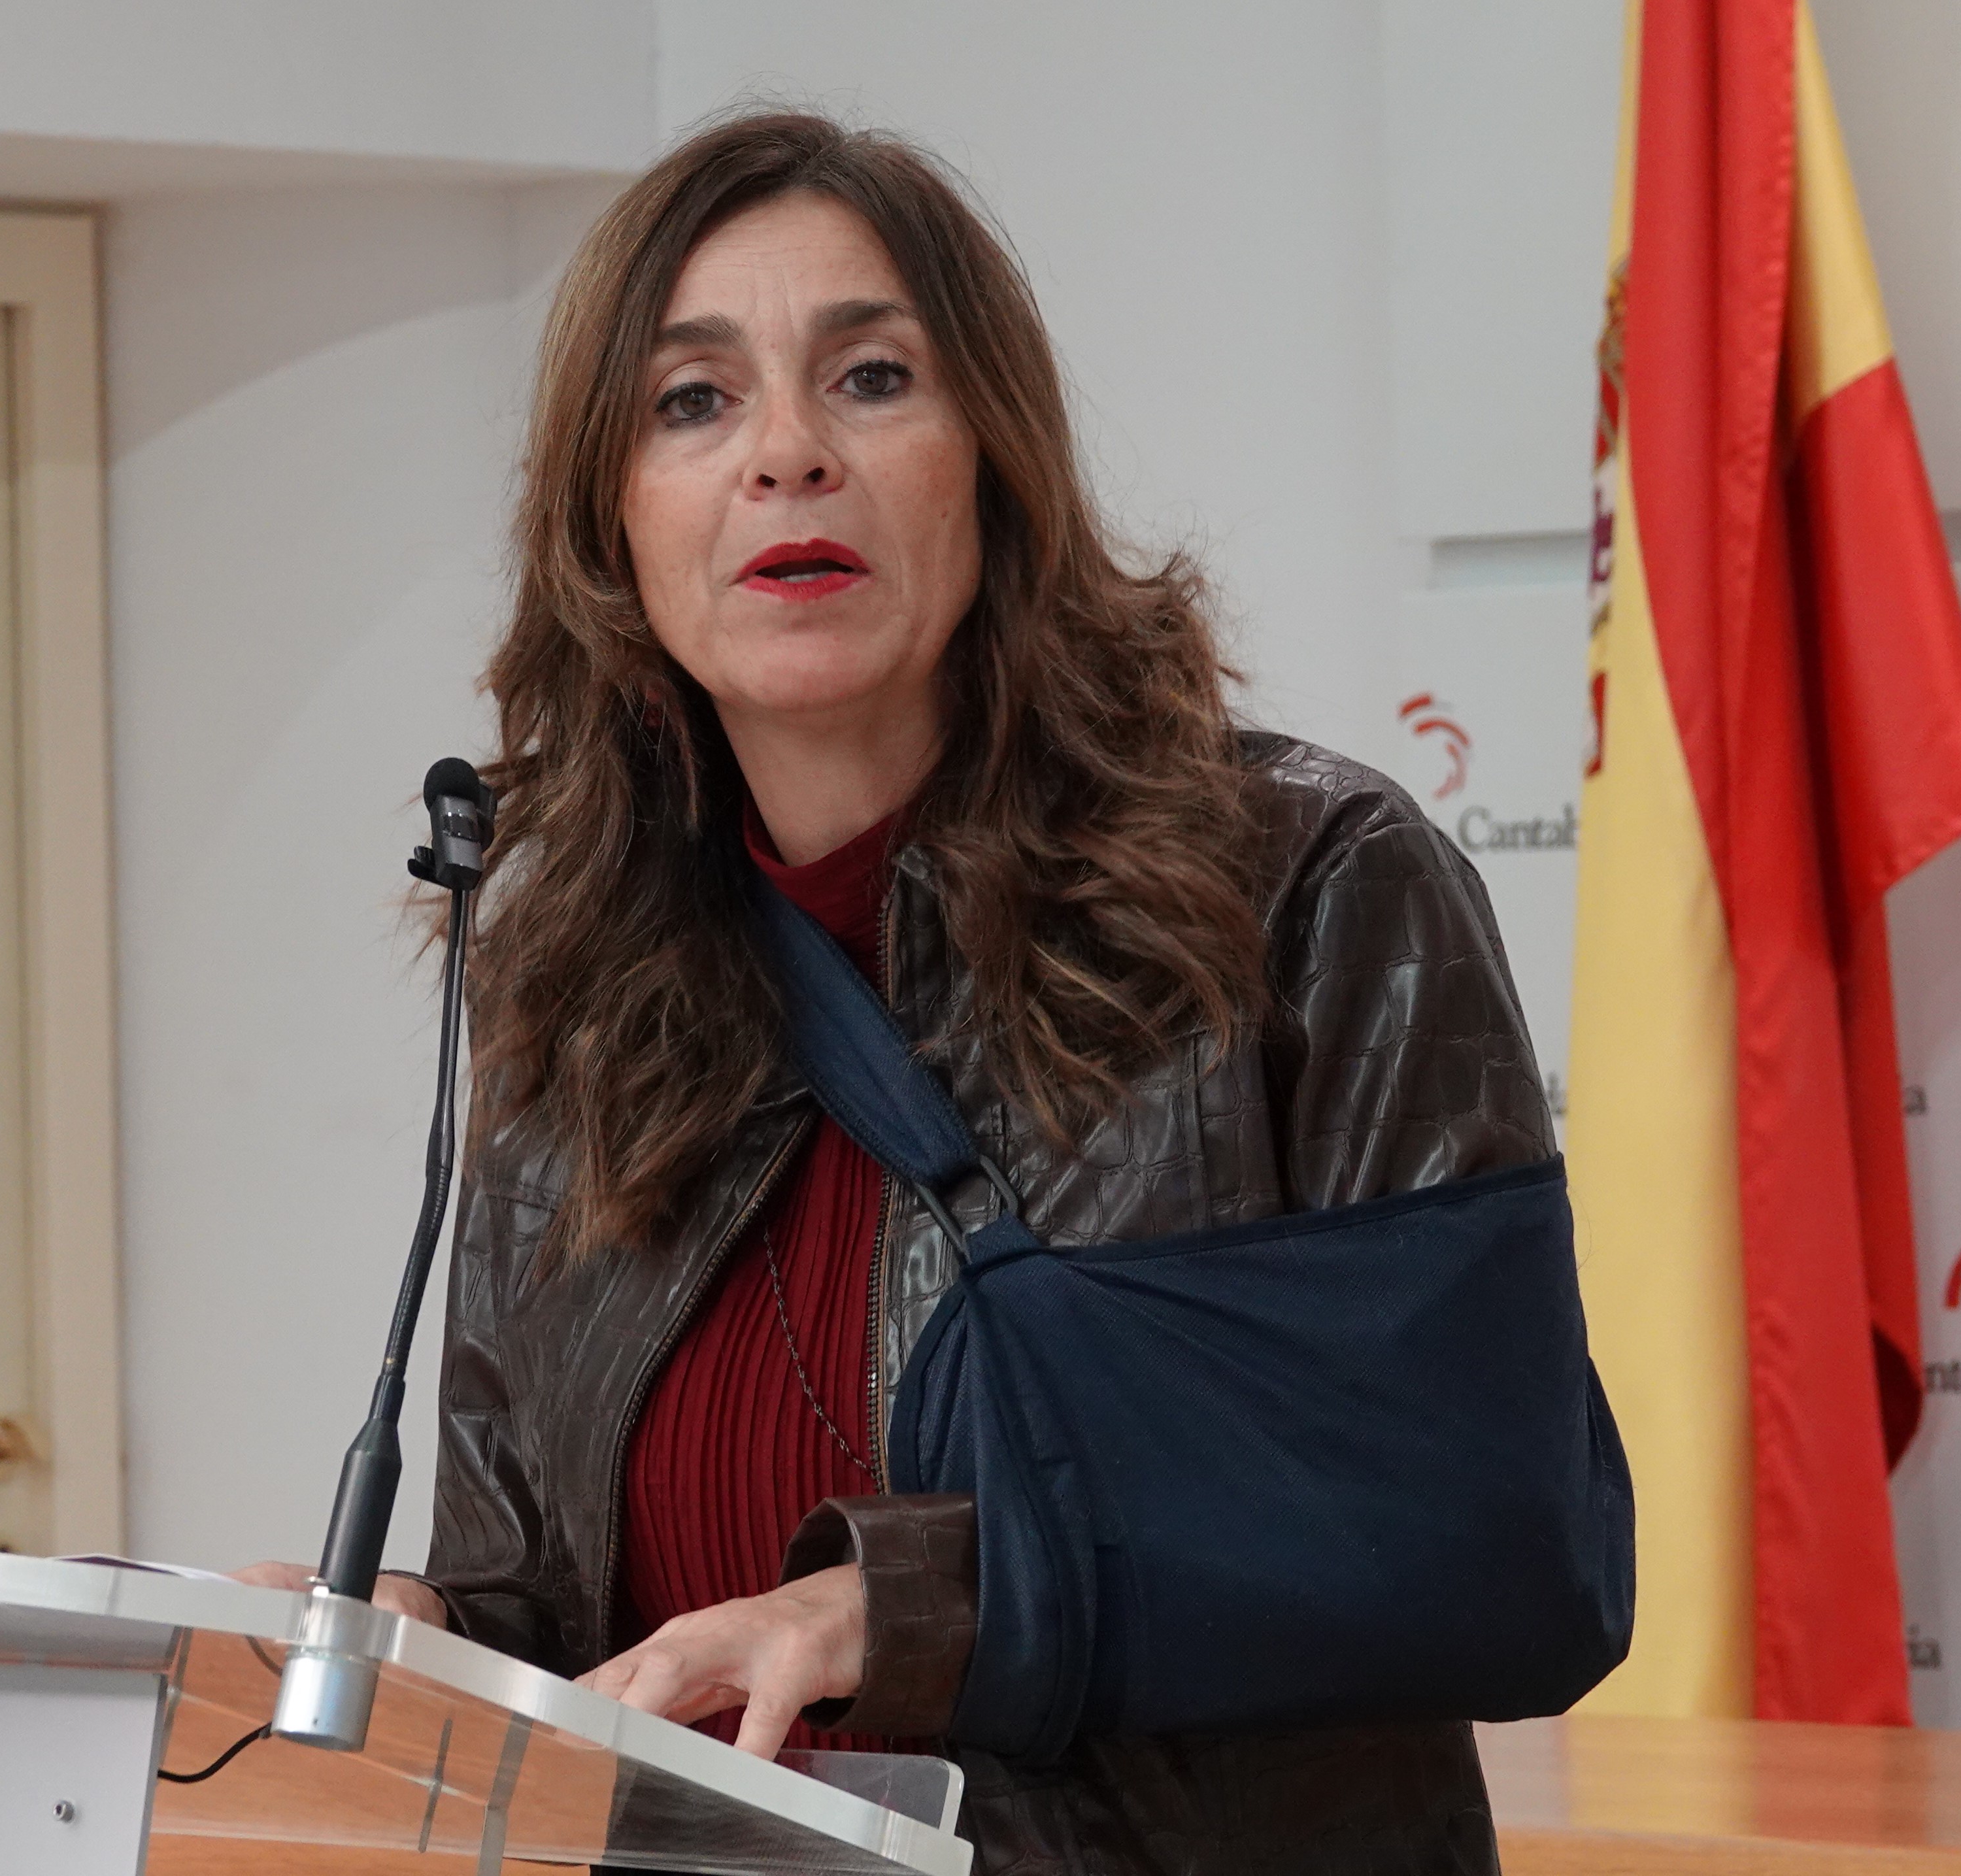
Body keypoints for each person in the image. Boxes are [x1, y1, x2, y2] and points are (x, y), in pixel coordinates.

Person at [250, 110, 1560, 1874]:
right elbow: (562, 1614)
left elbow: (1494, 1538)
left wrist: (899, 1608)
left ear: (992, 463)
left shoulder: (1303, 886)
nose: (787, 453)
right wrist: (423, 1632)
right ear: (610, 526)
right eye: (693, 402)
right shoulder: (579, 1002)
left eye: (871, 379)